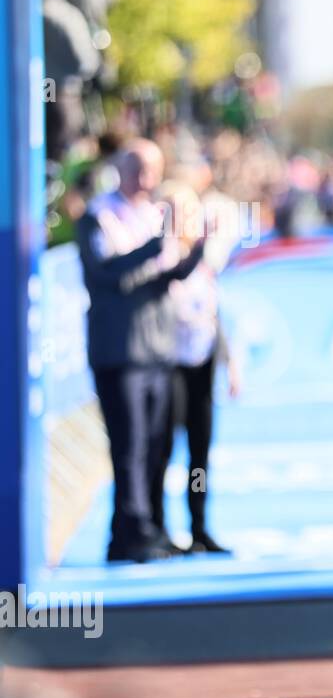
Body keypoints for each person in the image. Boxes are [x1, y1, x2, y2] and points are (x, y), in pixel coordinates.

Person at [77, 139, 206, 562]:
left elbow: (168, 275)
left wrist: (198, 247)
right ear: (122, 169)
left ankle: (148, 526)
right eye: (138, 169)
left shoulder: (154, 214)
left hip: (158, 347)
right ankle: (130, 533)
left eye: (153, 170)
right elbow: (107, 274)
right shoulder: (99, 216)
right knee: (128, 446)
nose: (147, 180)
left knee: (156, 445)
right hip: (121, 350)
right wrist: (152, 247)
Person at [154, 182, 238, 554]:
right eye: (177, 210)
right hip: (170, 364)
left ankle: (199, 525)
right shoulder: (160, 253)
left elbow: (213, 311)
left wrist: (231, 362)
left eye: (189, 210)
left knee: (199, 453)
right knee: (164, 450)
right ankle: (159, 525)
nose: (186, 219)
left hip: (201, 364)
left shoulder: (204, 260)